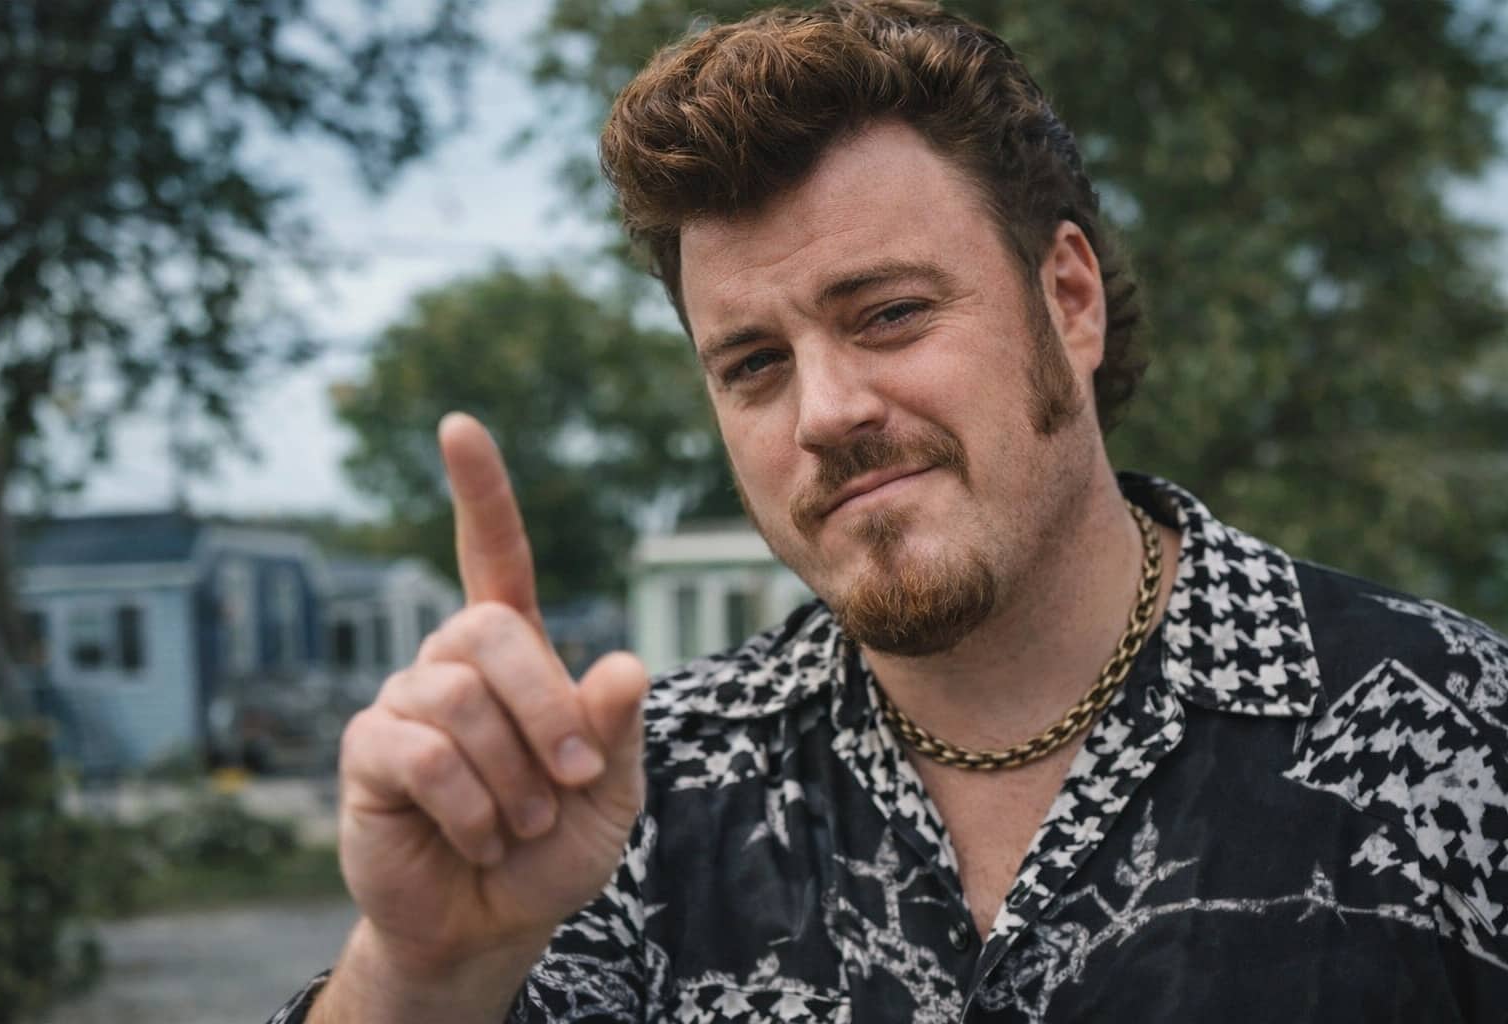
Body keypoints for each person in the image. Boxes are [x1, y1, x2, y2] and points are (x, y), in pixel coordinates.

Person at [271, 2, 1508, 1021]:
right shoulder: (631, 809)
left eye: (890, 313)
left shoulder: (1450, 734)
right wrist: (422, 971)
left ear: (1068, 302)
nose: (823, 410)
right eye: (753, 362)